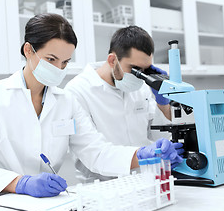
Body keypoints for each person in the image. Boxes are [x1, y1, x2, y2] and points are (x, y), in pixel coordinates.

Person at [0, 14, 182, 202]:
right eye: (51, 59)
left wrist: (141, 154)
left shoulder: (66, 101)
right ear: (28, 50)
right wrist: (21, 183)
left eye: (65, 62)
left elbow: (96, 152)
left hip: (46, 206)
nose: (59, 68)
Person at [65, 25, 184, 182]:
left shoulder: (142, 88)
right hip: (103, 188)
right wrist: (141, 154)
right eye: (134, 69)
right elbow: (94, 155)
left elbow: (160, 136)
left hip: (147, 182)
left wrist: (163, 102)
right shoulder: (77, 92)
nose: (139, 76)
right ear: (112, 60)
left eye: (145, 70)